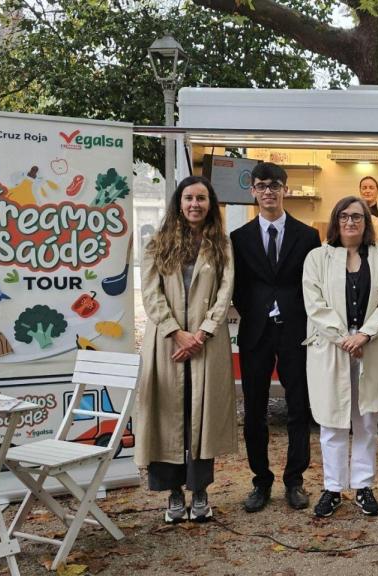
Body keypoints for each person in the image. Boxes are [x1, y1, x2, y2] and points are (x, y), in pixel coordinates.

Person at [136, 175, 236, 523]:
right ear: (179, 202)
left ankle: (200, 491)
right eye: (189, 198)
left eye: (202, 198)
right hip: (166, 345)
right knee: (168, 416)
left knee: (200, 417)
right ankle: (174, 494)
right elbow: (150, 294)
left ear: (210, 205)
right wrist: (176, 333)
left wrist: (202, 334)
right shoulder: (157, 244)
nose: (195, 204)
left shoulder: (220, 244)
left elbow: (225, 293)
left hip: (206, 346)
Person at [230, 162, 322, 512]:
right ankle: (260, 480)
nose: (268, 191)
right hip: (255, 332)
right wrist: (258, 309)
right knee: (254, 409)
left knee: (299, 407)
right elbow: (238, 287)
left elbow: (311, 284)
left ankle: (294, 480)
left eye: (275, 185)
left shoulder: (307, 236)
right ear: (253, 191)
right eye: (261, 185)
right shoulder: (239, 238)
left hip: (296, 331)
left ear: (286, 189)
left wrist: (288, 308)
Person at [302, 196, 378, 518]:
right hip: (333, 349)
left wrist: (364, 335)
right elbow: (315, 305)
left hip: (369, 348)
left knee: (367, 421)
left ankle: (362, 486)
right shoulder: (317, 257)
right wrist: (345, 338)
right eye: (344, 216)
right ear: (335, 221)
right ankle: (332, 488)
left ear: (366, 222)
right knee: (332, 422)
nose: (350, 222)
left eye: (357, 217)